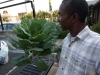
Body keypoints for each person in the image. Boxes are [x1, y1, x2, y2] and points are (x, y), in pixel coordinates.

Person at [55, 0, 100, 75]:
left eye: (60, 15)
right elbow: (59, 59)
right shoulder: (66, 40)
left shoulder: (97, 45)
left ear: (74, 17)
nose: (58, 19)